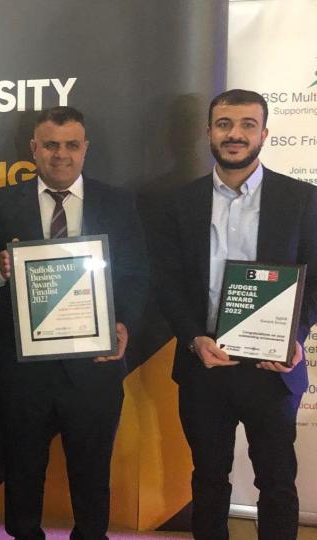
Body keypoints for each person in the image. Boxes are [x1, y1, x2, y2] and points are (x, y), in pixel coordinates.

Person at [0, 106, 148, 539]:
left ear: (85, 149)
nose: (61, 155)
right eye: (50, 144)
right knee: (22, 469)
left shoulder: (118, 202)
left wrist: (123, 325)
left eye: (71, 145)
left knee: (92, 471)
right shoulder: (0, 201)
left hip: (95, 364)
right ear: (34, 148)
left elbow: (136, 274)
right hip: (23, 370)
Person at [151, 89, 317, 540]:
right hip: (204, 360)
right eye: (225, 124)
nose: (235, 134)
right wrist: (192, 337)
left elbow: (316, 280)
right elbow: (165, 283)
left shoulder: (302, 199)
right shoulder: (177, 203)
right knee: (207, 480)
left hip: (272, 366)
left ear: (264, 133)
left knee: (277, 482)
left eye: (247, 124)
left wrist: (295, 336)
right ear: (209, 132)